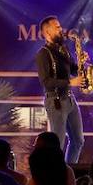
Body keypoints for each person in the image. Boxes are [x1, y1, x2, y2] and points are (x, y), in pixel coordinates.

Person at [35, 16, 85, 164]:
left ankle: (69, 171)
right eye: (57, 27)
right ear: (47, 32)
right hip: (56, 101)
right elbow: (46, 82)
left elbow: (75, 70)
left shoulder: (64, 50)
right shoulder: (43, 54)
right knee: (57, 145)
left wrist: (82, 62)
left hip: (70, 100)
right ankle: (56, 176)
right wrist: (70, 82)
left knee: (78, 140)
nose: (61, 29)